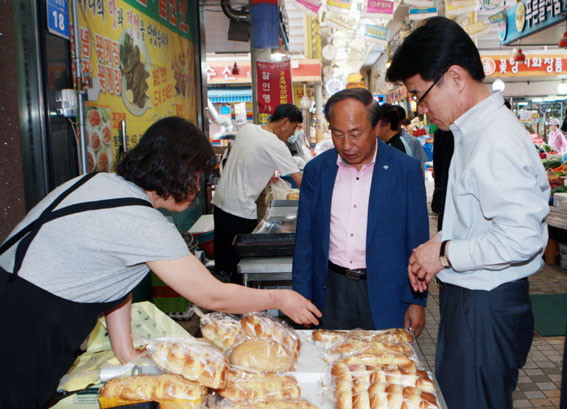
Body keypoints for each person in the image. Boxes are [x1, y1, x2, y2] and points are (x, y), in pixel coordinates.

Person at [0, 117, 321, 409]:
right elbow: (212, 296)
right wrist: (278, 297)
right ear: (173, 171)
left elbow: (116, 277)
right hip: (26, 321)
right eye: (195, 177)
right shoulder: (141, 220)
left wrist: (125, 351)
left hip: (13, 295)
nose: (197, 188)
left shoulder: (97, 183)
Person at [386, 16, 550, 409]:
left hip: (485, 306)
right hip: (472, 300)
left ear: (456, 77)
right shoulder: (470, 132)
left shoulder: (494, 138)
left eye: (420, 95)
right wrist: (438, 246)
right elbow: (480, 220)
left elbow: (522, 238)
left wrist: (445, 254)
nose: (421, 109)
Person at [292, 88, 429, 334]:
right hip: (331, 291)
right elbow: (305, 240)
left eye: (355, 134)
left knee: (385, 357)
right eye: (338, 134)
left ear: (376, 127)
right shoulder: (317, 171)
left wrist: (417, 301)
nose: (347, 145)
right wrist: (302, 296)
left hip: (387, 293)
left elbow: (417, 242)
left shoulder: (405, 170)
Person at [212, 104, 304, 284]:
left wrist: (264, 176)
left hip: (220, 203)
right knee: (241, 267)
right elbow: (301, 181)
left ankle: (221, 296)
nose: (291, 135)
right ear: (285, 122)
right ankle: (240, 298)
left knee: (223, 263)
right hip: (240, 210)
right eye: (293, 128)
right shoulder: (275, 144)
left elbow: (247, 160)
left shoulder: (247, 129)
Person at [430, 128, 454, 231]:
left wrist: (438, 183)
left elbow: (437, 158)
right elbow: (437, 158)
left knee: (445, 210)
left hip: (446, 179)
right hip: (449, 178)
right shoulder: (442, 132)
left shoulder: (440, 131)